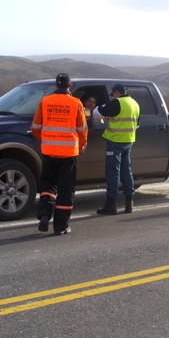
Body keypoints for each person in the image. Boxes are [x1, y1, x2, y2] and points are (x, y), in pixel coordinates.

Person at [31, 73, 88, 235]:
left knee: (48, 186)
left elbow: (35, 126)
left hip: (49, 152)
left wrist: (46, 139)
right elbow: (82, 130)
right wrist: (82, 144)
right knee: (65, 190)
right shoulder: (76, 103)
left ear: (55, 86)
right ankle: (61, 226)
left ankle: (44, 215)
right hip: (68, 154)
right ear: (69, 87)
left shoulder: (45, 101)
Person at [92, 83, 140, 214]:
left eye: (113, 94)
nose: (113, 97)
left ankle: (111, 205)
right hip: (128, 141)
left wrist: (98, 112)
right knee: (127, 172)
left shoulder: (117, 103)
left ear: (117, 93)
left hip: (115, 141)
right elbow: (136, 124)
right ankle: (129, 203)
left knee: (113, 172)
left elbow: (97, 114)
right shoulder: (135, 104)